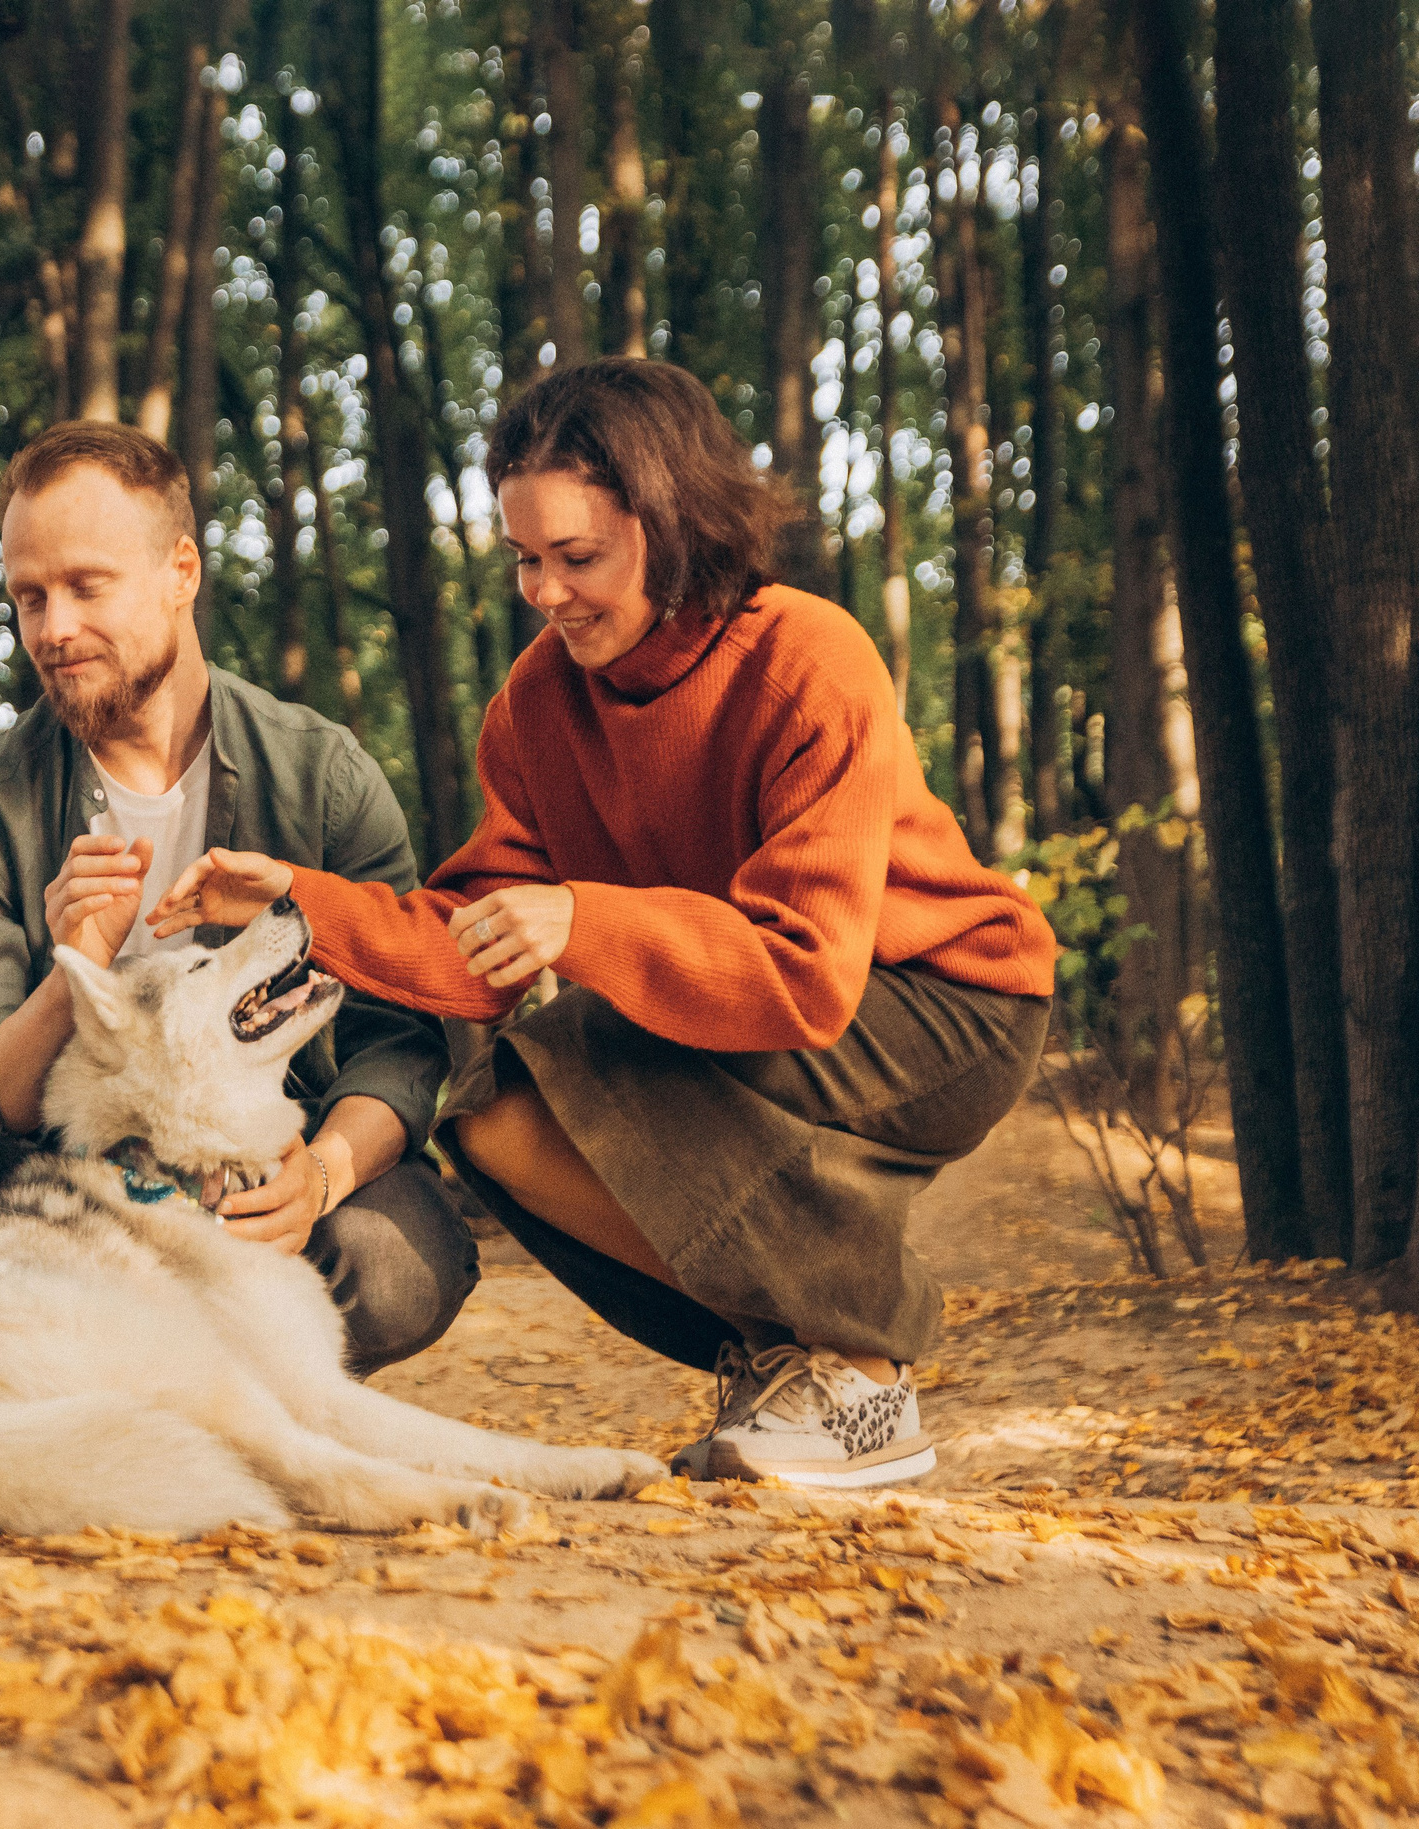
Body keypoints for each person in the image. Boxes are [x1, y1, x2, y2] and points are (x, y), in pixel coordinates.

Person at [152, 359, 1058, 1488]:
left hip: (945, 1003)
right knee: (491, 1102)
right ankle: (795, 1360)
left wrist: (584, 920)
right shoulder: (537, 704)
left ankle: (860, 1365)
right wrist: (293, 894)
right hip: (755, 1000)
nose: (543, 590)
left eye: (576, 557)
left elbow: (806, 975)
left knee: (583, 1038)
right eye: (525, 559)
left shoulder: (805, 657)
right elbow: (470, 941)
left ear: (673, 525)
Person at [0, 421, 480, 1377]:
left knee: (394, 1267)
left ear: (182, 571)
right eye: (29, 596)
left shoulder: (323, 775)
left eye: (88, 586)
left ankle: (189, 1386)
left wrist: (323, 1173)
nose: (52, 629)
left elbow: (406, 1040)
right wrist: (71, 975)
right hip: (69, 1208)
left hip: (263, 1179)